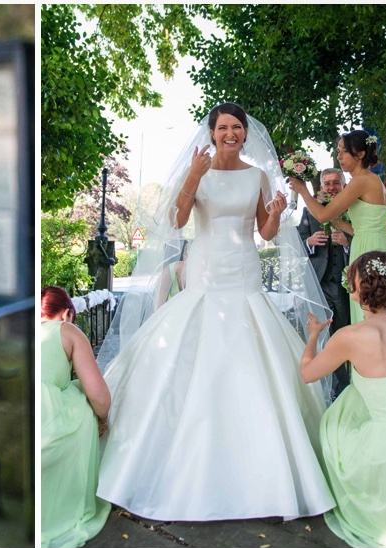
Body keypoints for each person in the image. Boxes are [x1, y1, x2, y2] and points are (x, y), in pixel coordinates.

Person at [95, 102, 335, 521]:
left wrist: (276, 215)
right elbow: (176, 218)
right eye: (223, 127)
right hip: (205, 268)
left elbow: (262, 232)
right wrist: (192, 176)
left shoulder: (257, 175)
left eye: (237, 127)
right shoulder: (199, 171)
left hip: (243, 269)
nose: (231, 133)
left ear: (245, 132)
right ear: (211, 132)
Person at [300, 251, 386, 548]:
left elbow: (308, 374)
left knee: (334, 423)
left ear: (360, 286)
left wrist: (313, 337)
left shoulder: (350, 336)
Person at [288, 130, 386, 326]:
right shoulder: (373, 180)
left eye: (344, 151)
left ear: (361, 154)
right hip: (374, 243)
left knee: (368, 315)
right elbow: (357, 229)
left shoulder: (361, 181)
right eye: (338, 151)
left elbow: (321, 215)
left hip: (367, 250)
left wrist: (303, 191)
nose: (339, 156)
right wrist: (335, 221)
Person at [40, 287, 111, 548]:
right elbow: (100, 397)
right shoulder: (66, 330)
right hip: (47, 423)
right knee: (81, 390)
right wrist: (103, 420)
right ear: (67, 312)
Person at [296, 168, 353, 397]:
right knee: (322, 337)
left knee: (342, 333)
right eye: (327, 183)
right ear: (320, 187)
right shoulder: (310, 212)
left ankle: (345, 387)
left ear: (343, 185)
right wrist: (309, 241)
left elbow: (365, 236)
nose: (331, 187)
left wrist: (347, 242)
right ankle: (332, 390)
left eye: (335, 183)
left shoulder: (352, 208)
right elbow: (296, 242)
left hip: (346, 286)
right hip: (318, 284)